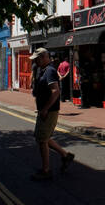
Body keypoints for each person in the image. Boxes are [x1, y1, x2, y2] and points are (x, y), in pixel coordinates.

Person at [29, 48, 74, 181]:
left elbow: (55, 91)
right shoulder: (42, 70)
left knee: (42, 140)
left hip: (49, 111)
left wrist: (45, 109)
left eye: (37, 59)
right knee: (42, 137)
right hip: (44, 110)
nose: (35, 62)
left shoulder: (49, 71)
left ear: (44, 57)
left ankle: (46, 170)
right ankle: (65, 155)